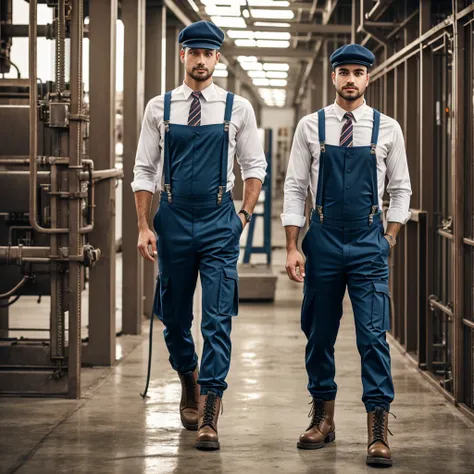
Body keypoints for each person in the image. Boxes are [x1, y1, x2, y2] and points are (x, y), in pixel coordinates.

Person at [131, 20, 267, 451]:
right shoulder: (159, 107)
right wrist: (143, 224)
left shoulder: (237, 109)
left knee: (217, 319)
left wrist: (242, 215)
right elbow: (144, 170)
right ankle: (188, 376)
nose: (202, 60)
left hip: (218, 221)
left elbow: (255, 167)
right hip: (172, 219)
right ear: (183, 55)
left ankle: (210, 409)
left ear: (218, 60)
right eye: (195, 52)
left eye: (209, 54)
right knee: (172, 317)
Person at [282, 44, 411, 466]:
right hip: (322, 242)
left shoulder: (387, 128)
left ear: (368, 78)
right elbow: (295, 187)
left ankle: (377, 429)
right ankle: (323, 419)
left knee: (373, 335)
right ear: (333, 77)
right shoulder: (310, 126)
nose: (351, 79)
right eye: (344, 72)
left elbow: (401, 189)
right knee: (319, 333)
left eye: (359, 72)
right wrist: (291, 245)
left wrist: (388, 238)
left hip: (367, 242)